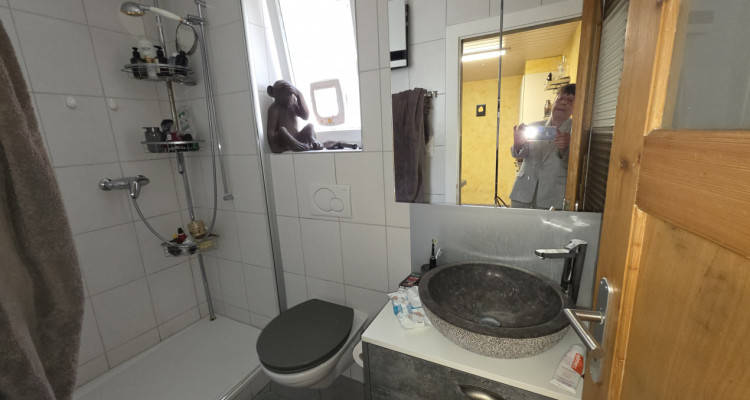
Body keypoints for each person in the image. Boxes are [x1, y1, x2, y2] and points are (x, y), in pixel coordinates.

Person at [509, 83, 575, 209]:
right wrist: (518, 145)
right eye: (560, 98)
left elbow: (576, 166)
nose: (563, 102)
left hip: (553, 197)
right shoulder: (534, 126)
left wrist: (564, 149)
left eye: (570, 100)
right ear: (554, 102)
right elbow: (520, 155)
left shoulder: (575, 132)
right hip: (522, 193)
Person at [266, 80, 322, 153]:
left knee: (310, 126)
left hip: (297, 139)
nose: (288, 97)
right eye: (283, 93)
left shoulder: (294, 103)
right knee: (282, 129)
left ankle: (313, 141)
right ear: (272, 92)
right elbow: (270, 131)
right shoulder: (274, 109)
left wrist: (299, 95)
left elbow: (305, 116)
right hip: (284, 141)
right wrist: (273, 146)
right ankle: (294, 144)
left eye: (290, 94)